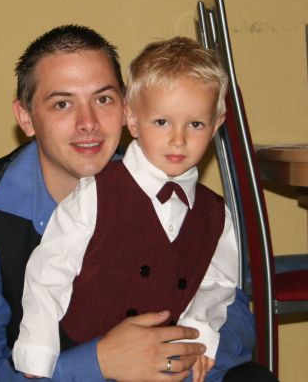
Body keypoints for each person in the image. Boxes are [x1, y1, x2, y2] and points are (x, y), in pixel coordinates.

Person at [0, 24, 276, 382]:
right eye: (62, 104)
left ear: (126, 109)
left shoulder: (160, 186)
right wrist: (99, 362)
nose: (88, 123)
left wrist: (188, 353)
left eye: (103, 99)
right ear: (26, 117)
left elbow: (232, 312)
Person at [12, 36, 235, 382]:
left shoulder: (215, 213)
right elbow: (47, 275)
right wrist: (38, 360)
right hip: (86, 357)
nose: (178, 140)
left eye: (195, 124)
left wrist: (200, 335)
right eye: (161, 122)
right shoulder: (95, 193)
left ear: (217, 124)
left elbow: (217, 284)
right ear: (131, 119)